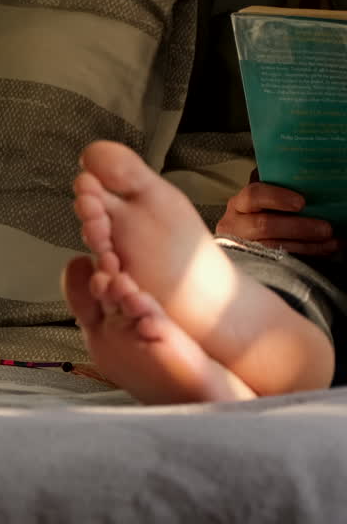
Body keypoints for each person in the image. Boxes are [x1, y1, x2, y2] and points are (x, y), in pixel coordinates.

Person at [61, 140, 345, 404]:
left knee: (285, 294)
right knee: (267, 276)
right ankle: (231, 362)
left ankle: (260, 337)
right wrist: (249, 232)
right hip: (304, 264)